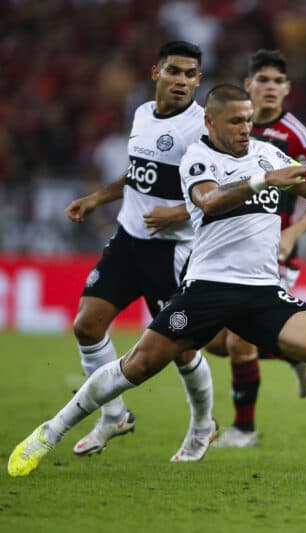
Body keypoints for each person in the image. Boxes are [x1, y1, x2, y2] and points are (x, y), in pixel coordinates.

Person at [8, 83, 306, 478]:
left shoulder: (267, 151)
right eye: (236, 121)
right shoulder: (197, 158)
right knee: (138, 366)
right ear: (210, 121)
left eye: (249, 120)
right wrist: (264, 179)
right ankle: (50, 431)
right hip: (208, 290)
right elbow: (209, 201)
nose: (246, 128)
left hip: (263, 291)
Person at [63, 41, 215, 461]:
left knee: (182, 352)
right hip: (128, 241)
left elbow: (223, 189)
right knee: (87, 327)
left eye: (190, 74)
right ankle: (113, 414)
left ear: (198, 80)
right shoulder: (142, 115)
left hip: (172, 253)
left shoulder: (204, 128)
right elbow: (137, 173)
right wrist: (98, 197)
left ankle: (204, 424)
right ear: (156, 73)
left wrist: (178, 213)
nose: (181, 81)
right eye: (174, 71)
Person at [206, 49, 306, 449]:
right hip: (227, 249)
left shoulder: (297, 135)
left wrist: (294, 234)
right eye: (263, 80)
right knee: (214, 343)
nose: (271, 88)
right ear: (248, 85)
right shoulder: (226, 129)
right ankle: (293, 354)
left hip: (274, 252)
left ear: (288, 88)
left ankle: (243, 429)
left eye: (278, 81)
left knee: (240, 341)